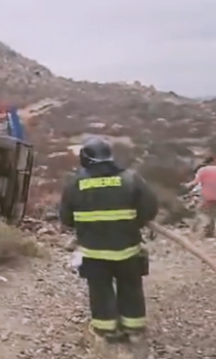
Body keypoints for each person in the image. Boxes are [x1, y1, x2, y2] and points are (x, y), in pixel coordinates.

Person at [59, 137, 158, 343]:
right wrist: (132, 223)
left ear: (85, 158)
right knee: (130, 286)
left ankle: (106, 330)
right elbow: (149, 210)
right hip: (128, 249)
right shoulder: (131, 178)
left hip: (93, 252)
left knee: (100, 289)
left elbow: (66, 219)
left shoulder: (75, 183)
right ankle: (133, 328)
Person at [185, 155, 216, 237]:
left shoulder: (203, 170)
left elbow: (195, 182)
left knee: (200, 212)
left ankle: (195, 229)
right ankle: (210, 232)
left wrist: (185, 186)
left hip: (206, 195)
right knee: (213, 214)